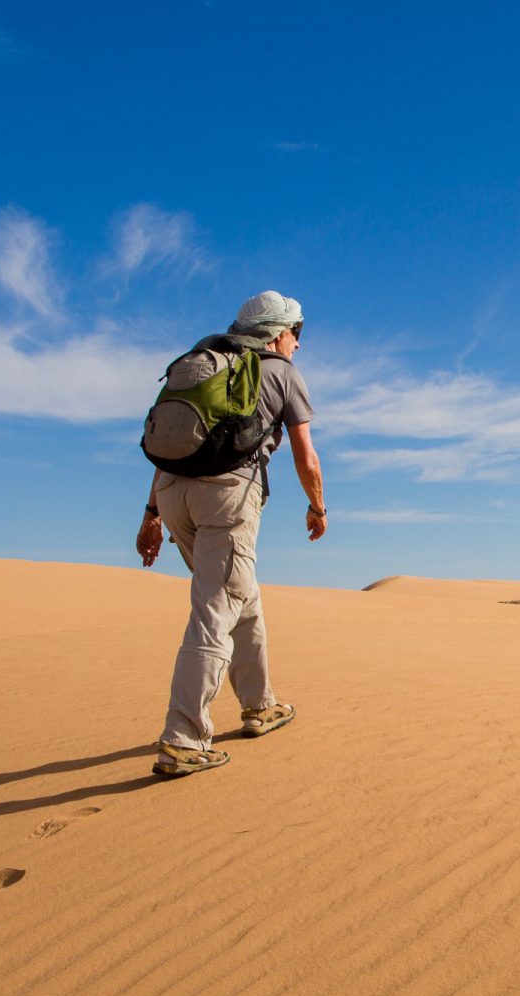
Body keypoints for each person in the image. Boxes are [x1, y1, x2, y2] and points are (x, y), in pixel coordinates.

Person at [135, 290, 327, 777]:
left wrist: (152, 513)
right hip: (227, 497)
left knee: (241, 597)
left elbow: (173, 446)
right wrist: (318, 506)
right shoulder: (280, 372)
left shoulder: (206, 361)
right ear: (277, 333)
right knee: (215, 609)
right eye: (296, 333)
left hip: (174, 492)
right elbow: (306, 453)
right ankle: (183, 738)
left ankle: (259, 704)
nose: (298, 344)